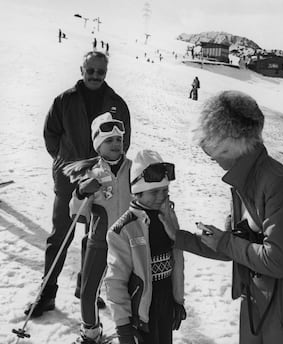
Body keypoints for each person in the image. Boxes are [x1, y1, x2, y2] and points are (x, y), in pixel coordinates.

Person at [163, 91, 283, 344]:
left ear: (228, 141)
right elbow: (231, 247)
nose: (207, 154)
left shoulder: (277, 183)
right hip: (256, 301)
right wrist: (179, 238)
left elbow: (278, 260)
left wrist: (224, 242)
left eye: (209, 145)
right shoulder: (244, 181)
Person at [25, 51, 131, 318]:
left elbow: (122, 140)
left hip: (103, 179)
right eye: (90, 71)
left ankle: (87, 289)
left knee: (94, 238)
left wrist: (104, 167)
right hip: (69, 178)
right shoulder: (64, 100)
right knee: (60, 234)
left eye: (100, 72)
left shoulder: (115, 102)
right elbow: (51, 135)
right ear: (82, 69)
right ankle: (47, 293)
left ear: (106, 72)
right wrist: (68, 164)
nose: (95, 76)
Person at [63, 113, 132, 344]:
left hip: (130, 242)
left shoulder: (133, 168)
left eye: (118, 140)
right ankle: (91, 332)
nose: (115, 144)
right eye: (109, 140)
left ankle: (135, 330)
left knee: (133, 290)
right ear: (98, 145)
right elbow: (77, 215)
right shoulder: (93, 172)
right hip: (100, 241)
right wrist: (81, 193)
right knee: (88, 292)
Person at [105, 150, 186, 344]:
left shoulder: (169, 218)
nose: (161, 196)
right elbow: (116, 280)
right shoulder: (124, 229)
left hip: (165, 303)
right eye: (154, 192)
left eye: (165, 191)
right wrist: (123, 325)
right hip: (140, 313)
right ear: (137, 192)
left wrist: (178, 300)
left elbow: (178, 262)